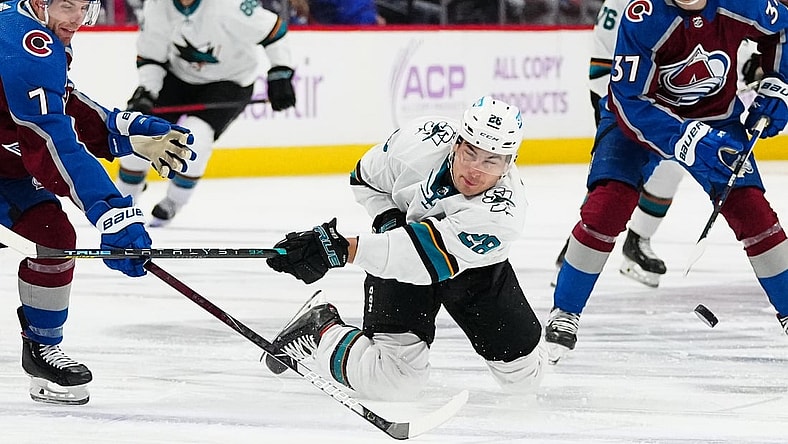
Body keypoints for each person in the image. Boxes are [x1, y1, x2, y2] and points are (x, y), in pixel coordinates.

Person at [545, 0, 788, 365]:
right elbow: (630, 100)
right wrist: (686, 137)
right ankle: (565, 311)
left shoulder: (743, 3)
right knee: (607, 206)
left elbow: (783, 29)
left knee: (752, 211)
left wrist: (778, 82)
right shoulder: (641, 16)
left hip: (717, 120)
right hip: (636, 123)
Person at [262, 97, 546, 400]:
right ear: (456, 143)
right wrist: (388, 220)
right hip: (401, 254)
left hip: (473, 271)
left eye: (491, 161)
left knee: (525, 380)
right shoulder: (421, 141)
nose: (475, 171)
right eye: (470, 153)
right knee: (394, 382)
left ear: (509, 163)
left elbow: (421, 258)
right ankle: (320, 330)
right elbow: (364, 179)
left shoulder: (502, 214)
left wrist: (343, 250)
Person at [0, 0, 196, 404]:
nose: (76, 18)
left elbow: (61, 103)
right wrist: (112, 212)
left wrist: (122, 130)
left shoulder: (41, 32)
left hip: (6, 166)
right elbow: (51, 140)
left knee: (51, 237)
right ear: (40, 3)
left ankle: (42, 350)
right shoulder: (23, 42)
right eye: (67, 5)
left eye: (84, 7)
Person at [116, 0, 297, 226]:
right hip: (178, 77)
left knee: (196, 137)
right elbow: (151, 56)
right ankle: (122, 199)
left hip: (229, 82)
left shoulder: (228, 5)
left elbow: (273, 30)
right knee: (140, 132)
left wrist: (280, 72)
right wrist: (148, 90)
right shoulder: (157, 5)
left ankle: (174, 201)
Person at [552, 0, 686, 289]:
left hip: (658, 97)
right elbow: (603, 64)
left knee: (673, 166)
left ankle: (638, 241)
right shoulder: (623, 1)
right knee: (616, 174)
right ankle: (578, 247)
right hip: (616, 96)